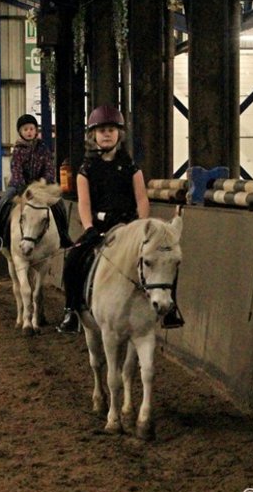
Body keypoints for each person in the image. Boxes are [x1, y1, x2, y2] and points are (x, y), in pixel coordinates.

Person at [57, 104, 178, 334]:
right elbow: (84, 204)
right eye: (101, 130)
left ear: (119, 134)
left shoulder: (132, 168)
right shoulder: (86, 170)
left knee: (166, 257)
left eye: (111, 130)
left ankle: (170, 308)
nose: (106, 134)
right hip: (100, 228)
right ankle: (71, 309)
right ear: (93, 135)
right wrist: (89, 227)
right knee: (73, 258)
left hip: (129, 228)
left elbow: (142, 199)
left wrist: (141, 226)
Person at [0, 114, 72, 252]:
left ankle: (64, 235)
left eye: (31, 129)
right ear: (21, 132)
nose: (29, 132)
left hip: (41, 187)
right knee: (3, 203)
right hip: (19, 186)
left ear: (35, 130)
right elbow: (16, 169)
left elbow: (49, 167)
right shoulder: (18, 150)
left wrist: (46, 183)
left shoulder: (43, 148)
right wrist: (22, 187)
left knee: (59, 204)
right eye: (25, 129)